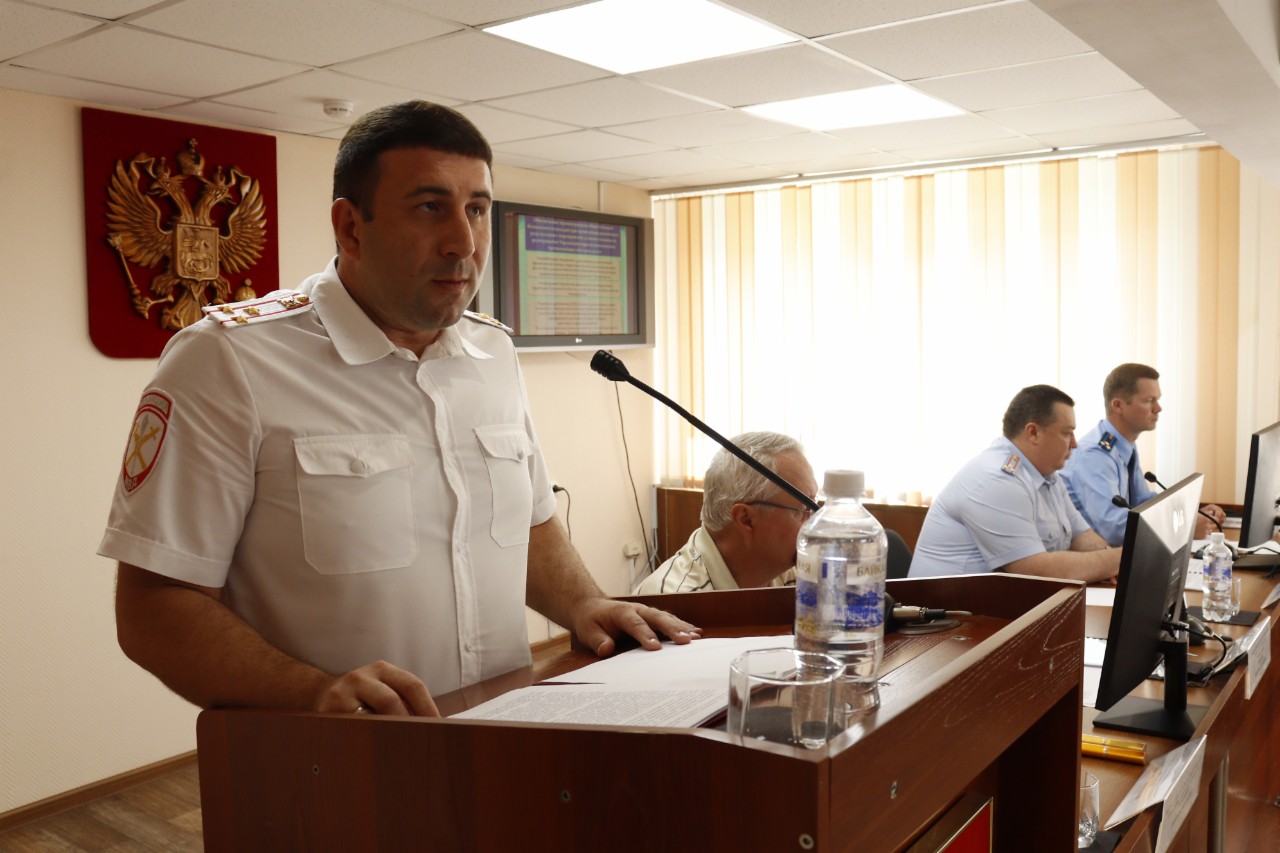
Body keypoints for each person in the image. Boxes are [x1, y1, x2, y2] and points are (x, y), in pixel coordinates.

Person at [101, 100, 699, 719]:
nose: (463, 242)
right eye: (430, 207)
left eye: (477, 210)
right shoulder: (229, 360)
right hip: (335, 758)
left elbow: (528, 524)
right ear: (350, 226)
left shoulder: (492, 351)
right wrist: (312, 692)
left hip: (502, 731)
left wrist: (584, 604)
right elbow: (153, 604)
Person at [908, 385, 1120, 582]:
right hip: (945, 607)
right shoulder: (996, 479)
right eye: (1066, 433)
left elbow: (1081, 536)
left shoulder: (1048, 476)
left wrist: (1110, 564)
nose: (1074, 443)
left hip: (992, 601)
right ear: (1033, 432)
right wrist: (1119, 560)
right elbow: (1035, 571)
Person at [1062, 363, 1226, 545]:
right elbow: (1115, 528)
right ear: (1118, 405)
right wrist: (1184, 526)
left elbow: (1142, 503)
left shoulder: (1125, 445)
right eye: (1149, 401)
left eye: (1158, 400)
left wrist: (1191, 513)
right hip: (1097, 556)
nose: (1158, 408)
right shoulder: (1094, 455)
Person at [634, 432, 818, 594]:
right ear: (746, 519)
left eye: (815, 504)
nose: (815, 522)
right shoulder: (675, 602)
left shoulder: (787, 566)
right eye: (803, 508)